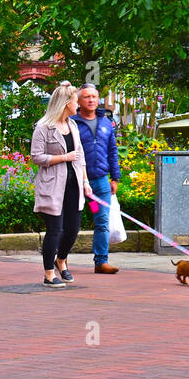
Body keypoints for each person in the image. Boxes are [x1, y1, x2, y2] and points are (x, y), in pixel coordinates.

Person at [31, 82, 93, 288]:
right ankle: (49, 274)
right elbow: (36, 157)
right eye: (76, 101)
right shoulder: (43, 127)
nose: (79, 105)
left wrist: (85, 181)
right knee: (55, 229)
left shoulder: (72, 125)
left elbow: (80, 156)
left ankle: (61, 260)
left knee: (73, 229)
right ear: (67, 103)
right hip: (52, 186)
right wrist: (63, 157)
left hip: (74, 184)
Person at [72, 84, 120, 274]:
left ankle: (101, 261)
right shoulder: (72, 122)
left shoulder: (106, 122)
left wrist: (115, 177)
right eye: (86, 97)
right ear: (79, 101)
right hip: (77, 181)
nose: (91, 100)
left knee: (101, 220)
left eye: (94, 96)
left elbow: (112, 151)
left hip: (100, 182)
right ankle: (61, 259)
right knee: (71, 222)